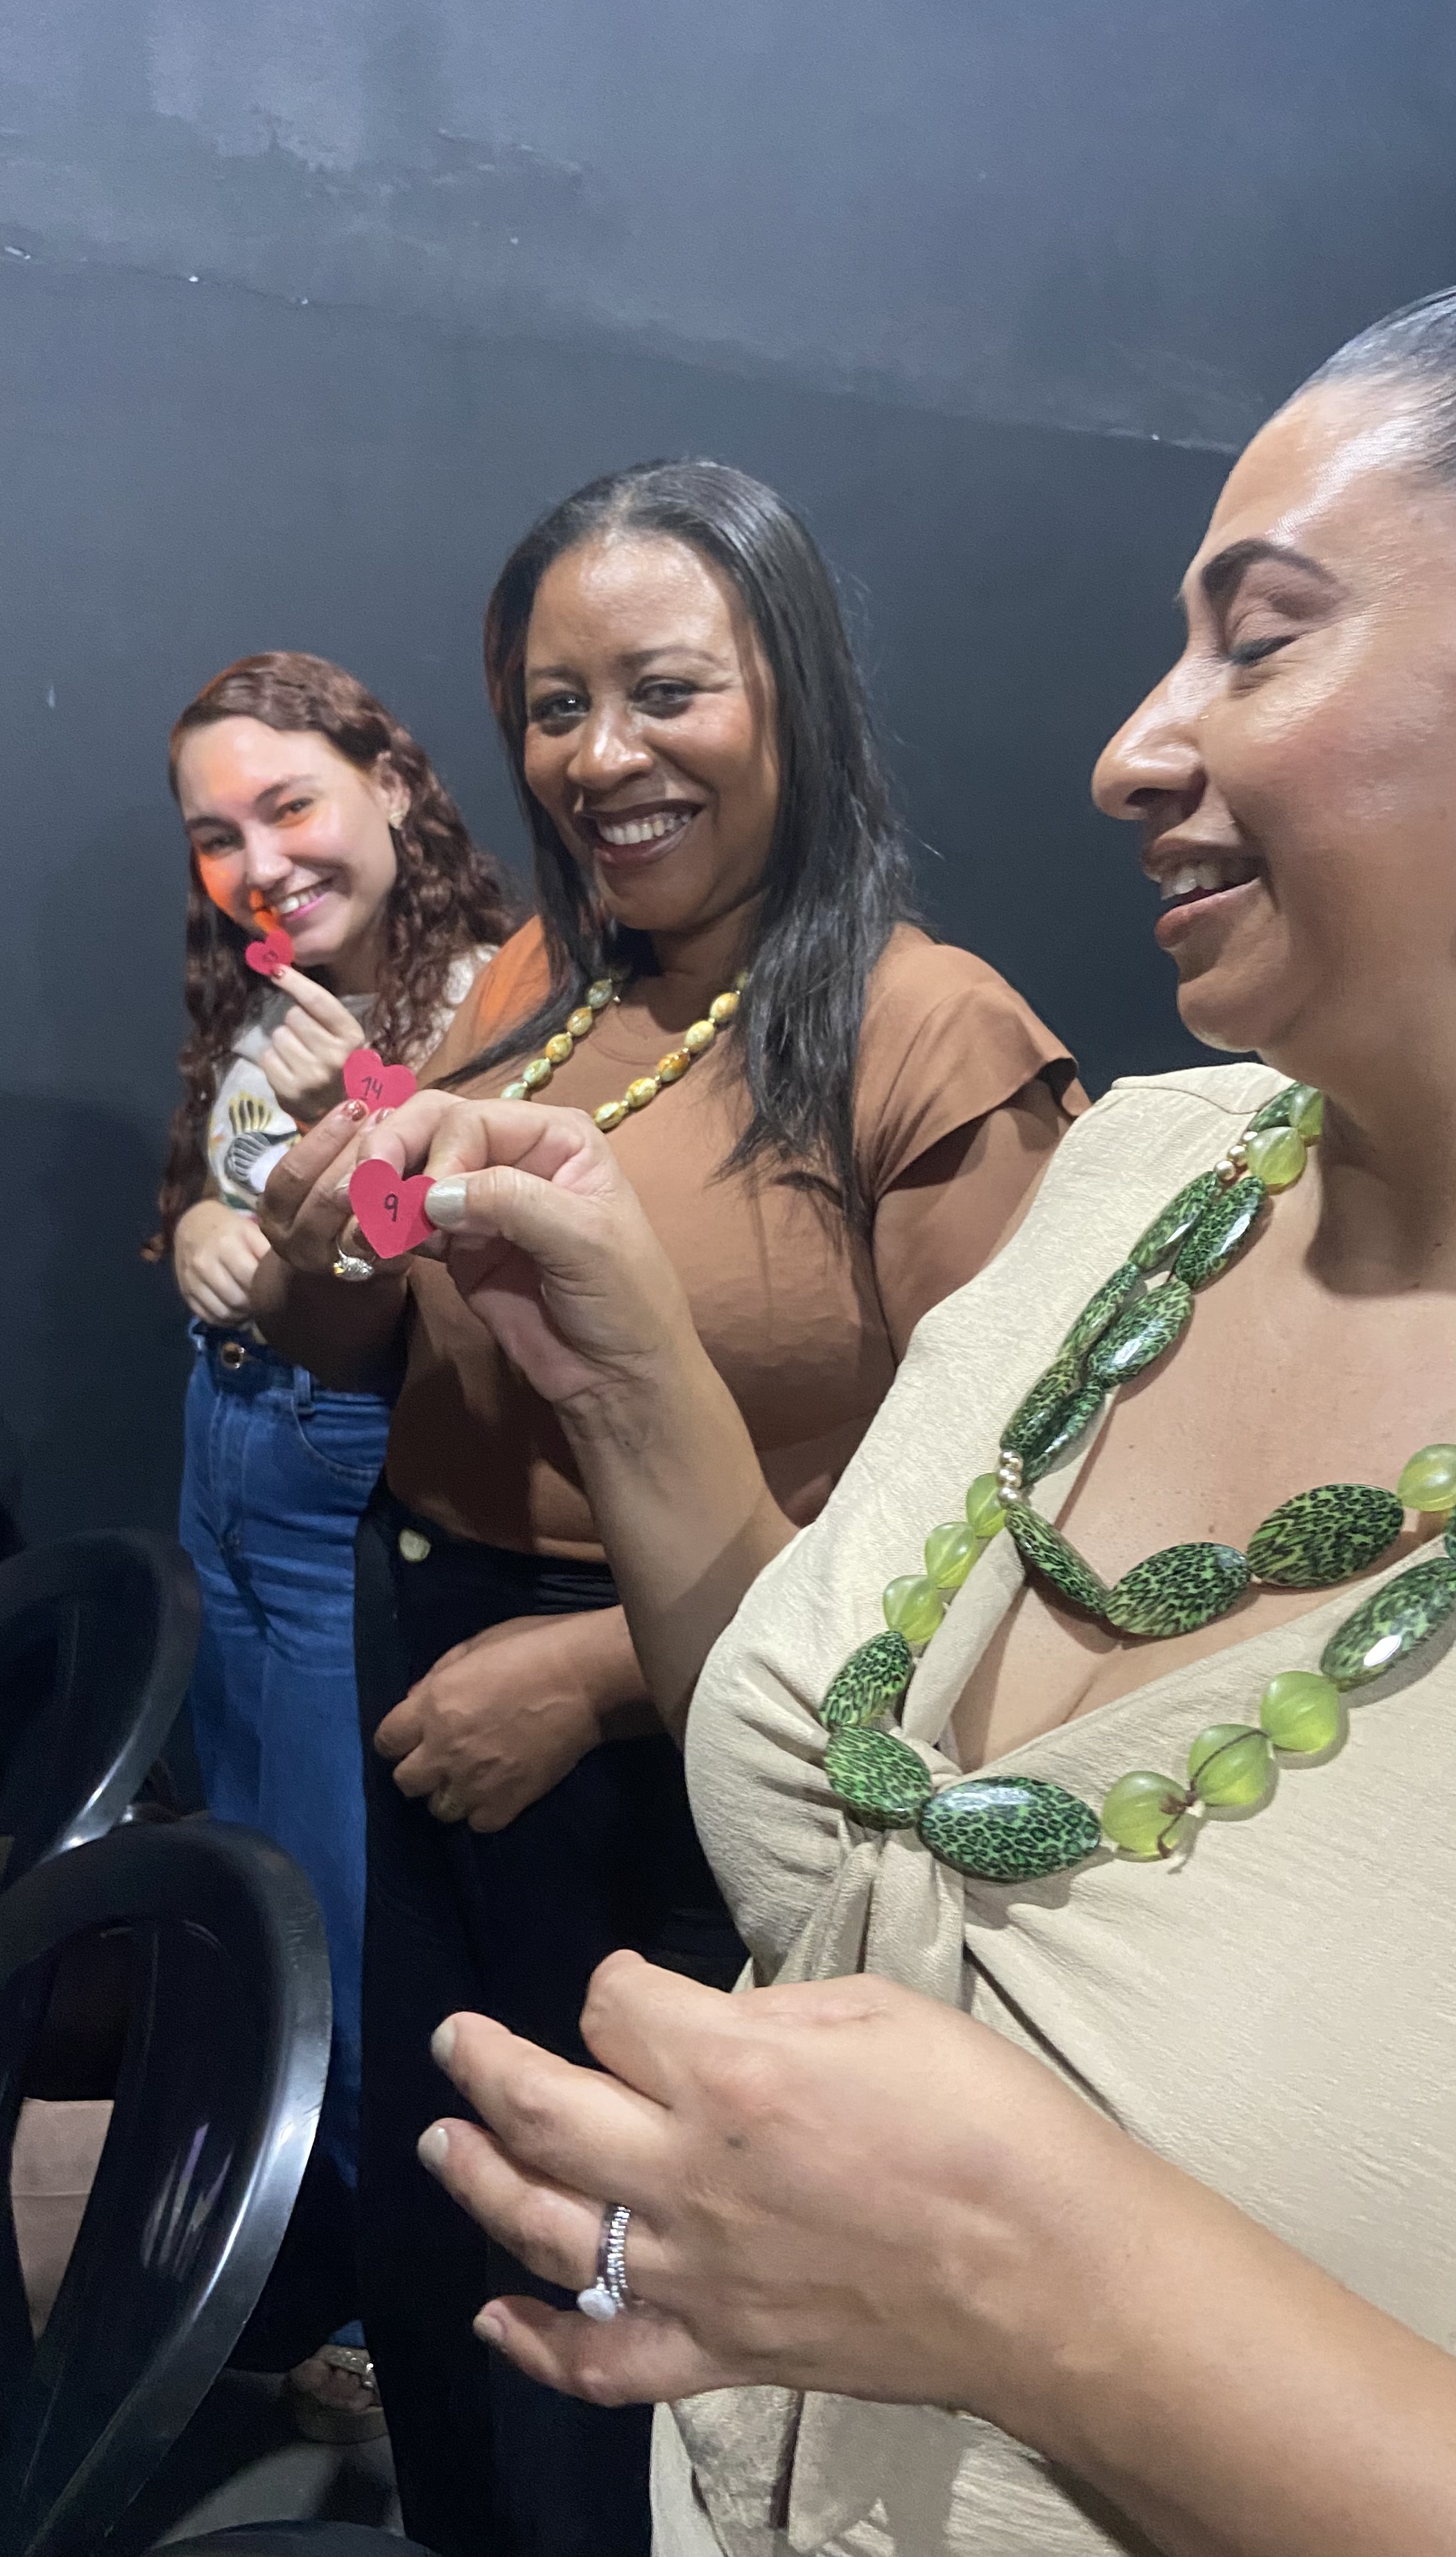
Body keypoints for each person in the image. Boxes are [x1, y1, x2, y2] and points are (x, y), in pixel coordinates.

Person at [333, 293, 1456, 2557]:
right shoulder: (1151, 1173)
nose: (1131, 749)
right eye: (551, 704)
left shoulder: (938, 1034)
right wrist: (604, 1357)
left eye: (1259, 640)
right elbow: (846, 1779)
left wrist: (1036, 2281)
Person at [252, 460, 1086, 2554]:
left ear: (793, 692)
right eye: (554, 706)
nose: (600, 755)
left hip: (692, 1751)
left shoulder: (931, 1035)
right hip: (427, 1685)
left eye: (664, 690)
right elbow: (376, 1348)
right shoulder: (530, 982)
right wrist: (321, 1241)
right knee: (453, 2247)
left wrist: (597, 1676)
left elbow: (991, 1546)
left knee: (620, 2310)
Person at [150, 650, 510, 2438]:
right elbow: (223, 1197)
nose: (259, 863)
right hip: (225, 1453)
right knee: (245, 1888)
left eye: (288, 806)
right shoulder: (268, 986)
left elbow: (452, 1260)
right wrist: (199, 1236)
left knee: (347, 1919)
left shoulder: (493, 993)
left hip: (342, 1482)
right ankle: (273, 2274)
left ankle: (402, 2325)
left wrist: (337, 1121)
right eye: (217, 835)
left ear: (393, 781)